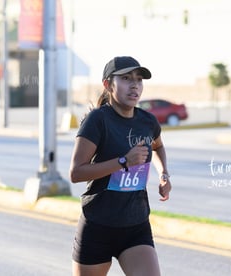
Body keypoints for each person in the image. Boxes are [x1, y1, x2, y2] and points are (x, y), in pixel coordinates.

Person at [69, 56, 172, 276]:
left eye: (139, 79)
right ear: (108, 84)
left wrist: (164, 174)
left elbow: (158, 147)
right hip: (98, 225)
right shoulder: (98, 120)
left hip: (136, 225)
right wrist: (123, 161)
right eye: (126, 78)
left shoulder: (147, 121)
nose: (135, 84)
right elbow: (76, 172)